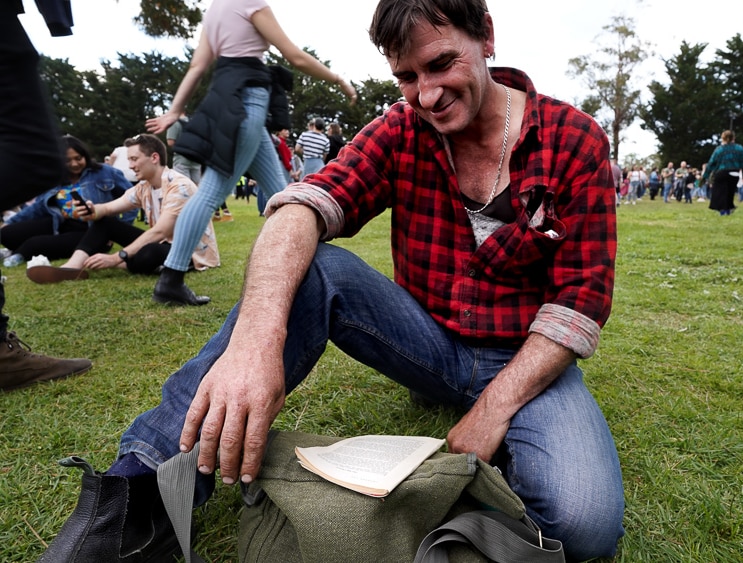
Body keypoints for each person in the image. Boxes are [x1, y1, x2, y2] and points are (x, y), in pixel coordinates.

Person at [39, 1, 624, 561]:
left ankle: (454, 508)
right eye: (407, 76)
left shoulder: (574, 140)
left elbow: (581, 299)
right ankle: (140, 492)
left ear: (487, 36)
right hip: (428, 341)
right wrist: (256, 342)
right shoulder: (403, 127)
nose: (428, 94)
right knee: (314, 268)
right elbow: (303, 206)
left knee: (584, 523)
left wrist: (495, 408)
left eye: (442, 63)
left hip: (523, 354)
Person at [145, 0, 357, 307]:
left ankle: (304, 267)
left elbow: (198, 66)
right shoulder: (249, 2)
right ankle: (171, 278)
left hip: (231, 99)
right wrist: (339, 80)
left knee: (283, 192)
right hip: (247, 103)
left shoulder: (215, 10)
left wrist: (175, 110)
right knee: (211, 191)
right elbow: (294, 55)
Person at [0, 0, 92, 391]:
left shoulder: (104, 176)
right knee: (34, 162)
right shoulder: (55, 185)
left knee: (93, 224)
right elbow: (38, 204)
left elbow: (120, 208)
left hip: (90, 227)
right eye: (67, 158)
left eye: (76, 158)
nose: (71, 164)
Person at [26, 134, 220, 284]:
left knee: (149, 253)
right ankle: (72, 267)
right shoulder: (144, 187)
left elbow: (161, 230)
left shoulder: (178, 185)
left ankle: (126, 263)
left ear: (154, 157)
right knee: (107, 222)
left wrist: (116, 257)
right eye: (129, 160)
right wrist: (93, 210)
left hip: (189, 253)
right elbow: (110, 208)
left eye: (134, 159)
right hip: (164, 244)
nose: (131, 166)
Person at [1, 135, 133, 265]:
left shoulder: (106, 172)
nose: (74, 164)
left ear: (85, 156)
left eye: (78, 158)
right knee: (7, 234)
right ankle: (14, 249)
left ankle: (19, 253)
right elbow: (37, 207)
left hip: (92, 230)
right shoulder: (55, 178)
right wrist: (11, 222)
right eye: (67, 160)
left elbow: (131, 199)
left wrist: (116, 231)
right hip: (60, 222)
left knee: (34, 245)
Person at [701, 130, 743, 215]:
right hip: (735, 173)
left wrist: (705, 176)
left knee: (720, 193)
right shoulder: (740, 148)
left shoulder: (719, 149)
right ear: (734, 138)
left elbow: (711, 163)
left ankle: (722, 211)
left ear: (723, 138)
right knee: (730, 193)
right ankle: (729, 209)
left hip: (722, 172)